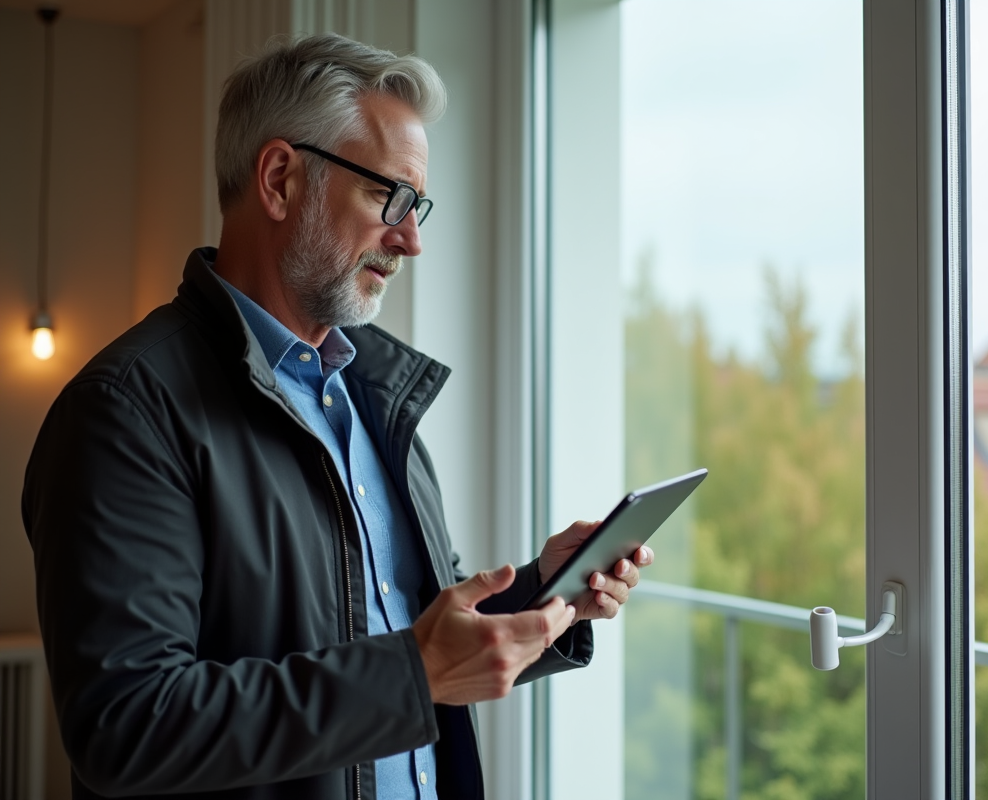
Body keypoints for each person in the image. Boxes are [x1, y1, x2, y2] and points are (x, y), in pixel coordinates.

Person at [22, 33, 651, 800]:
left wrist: (545, 592)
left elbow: (411, 623)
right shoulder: (125, 413)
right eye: (390, 196)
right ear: (281, 179)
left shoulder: (375, 393)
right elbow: (128, 725)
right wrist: (412, 674)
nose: (411, 239)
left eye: (418, 206)